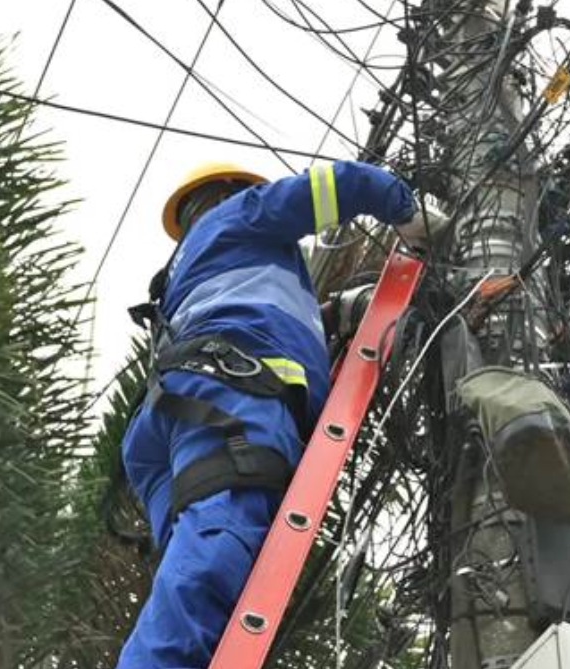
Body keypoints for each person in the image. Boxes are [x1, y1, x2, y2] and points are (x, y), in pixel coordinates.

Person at [116, 160, 418, 669]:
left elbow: (251, 310)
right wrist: (407, 212)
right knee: (217, 546)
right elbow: (336, 186)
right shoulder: (242, 213)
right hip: (229, 397)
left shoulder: (189, 266)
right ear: (233, 192)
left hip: (169, 419)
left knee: (197, 575)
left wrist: (333, 315)